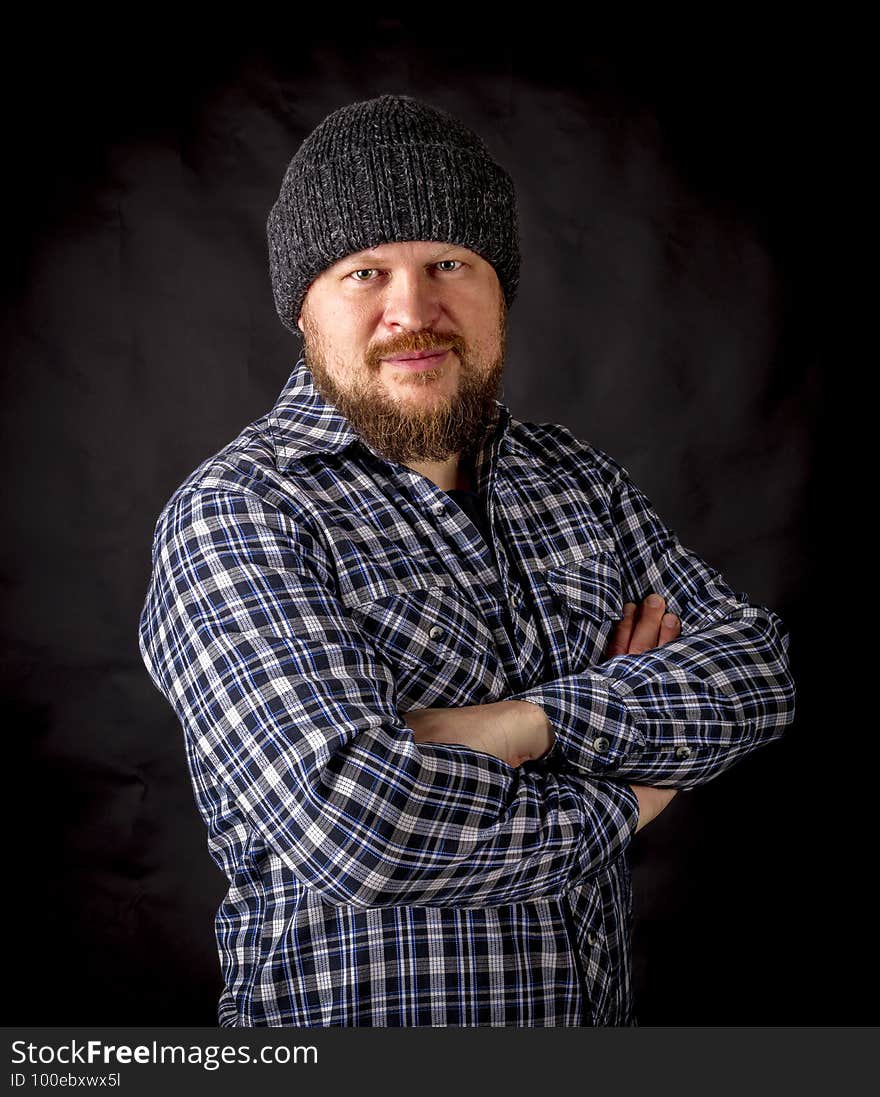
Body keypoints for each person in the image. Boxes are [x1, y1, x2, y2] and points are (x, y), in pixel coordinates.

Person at [138, 93, 796, 1027]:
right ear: (304, 311)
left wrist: (522, 724)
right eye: (365, 272)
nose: (414, 309)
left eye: (449, 262)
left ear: (499, 289)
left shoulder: (577, 481)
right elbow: (362, 828)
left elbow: (757, 674)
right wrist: (630, 794)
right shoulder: (239, 513)